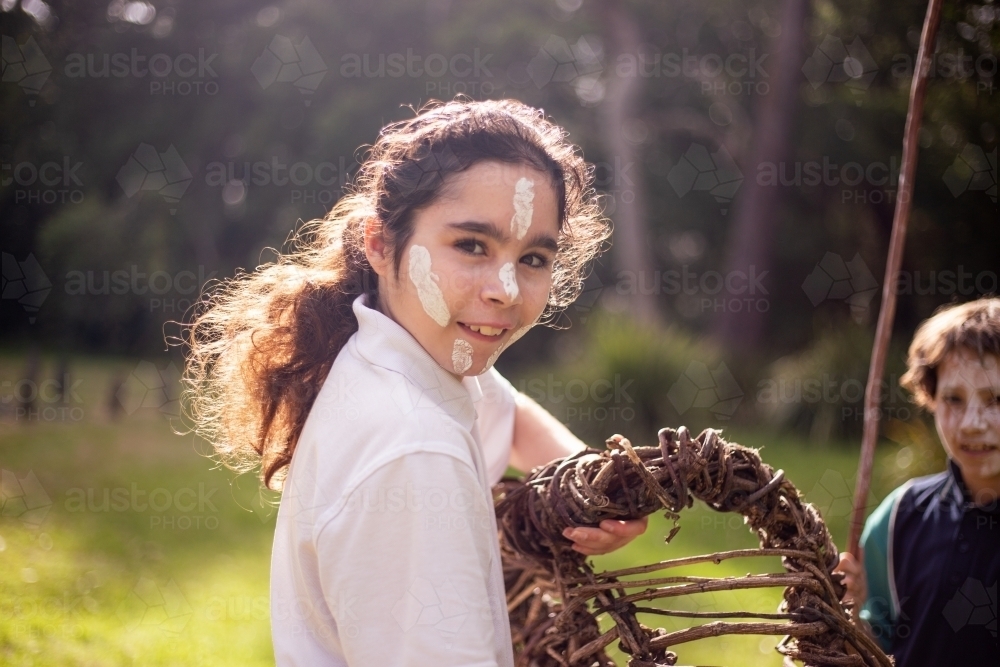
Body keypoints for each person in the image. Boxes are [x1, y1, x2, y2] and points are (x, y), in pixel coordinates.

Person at [182, 98, 649, 666]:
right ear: (379, 245)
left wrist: (597, 488)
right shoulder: (415, 448)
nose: (505, 289)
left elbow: (511, 412)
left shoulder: (404, 369)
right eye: (472, 245)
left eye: (533, 258)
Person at [835, 297, 1000, 666]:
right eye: (954, 399)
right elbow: (871, 648)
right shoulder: (898, 519)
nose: (972, 422)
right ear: (931, 399)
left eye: (995, 399)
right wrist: (851, 612)